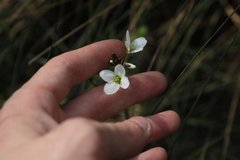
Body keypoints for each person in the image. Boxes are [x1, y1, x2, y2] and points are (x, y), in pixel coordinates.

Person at [0, 39, 180, 160]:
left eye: (118, 78)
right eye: (117, 78)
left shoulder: (120, 76)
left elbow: (121, 79)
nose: (117, 79)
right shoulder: (115, 76)